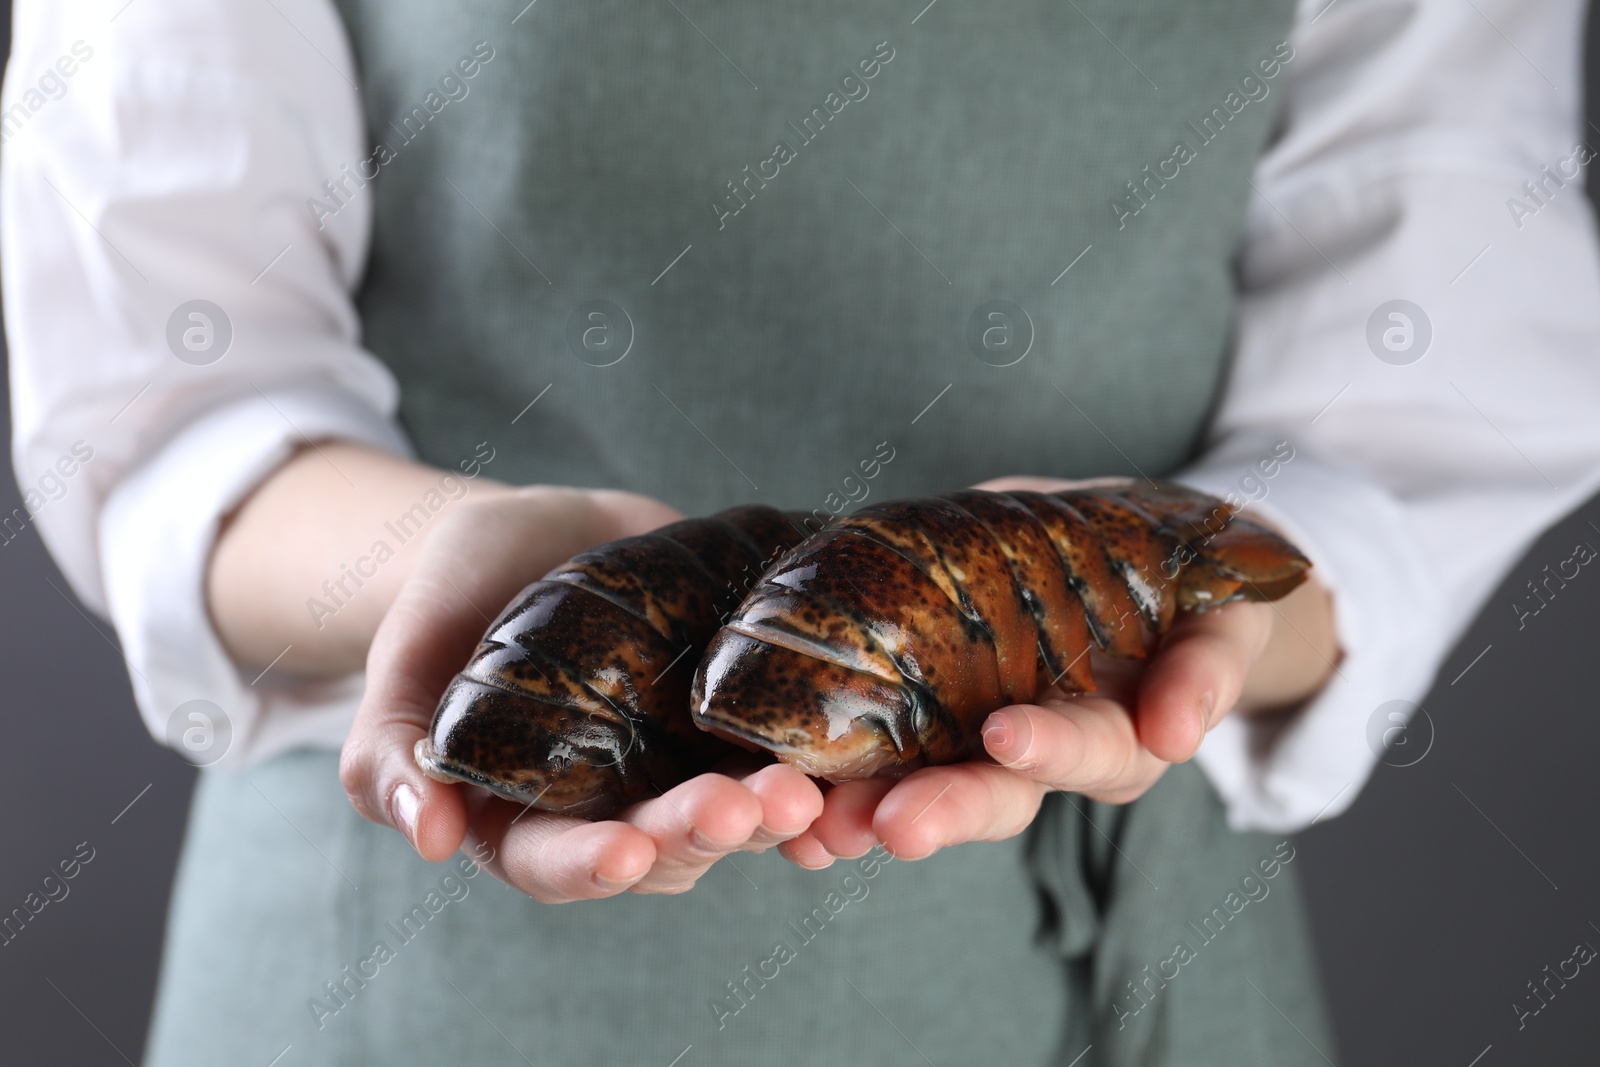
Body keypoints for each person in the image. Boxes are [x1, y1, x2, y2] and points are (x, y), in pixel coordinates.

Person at [7, 0, 1600, 1063]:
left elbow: (1407, 401)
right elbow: (174, 398)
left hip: (1136, 978)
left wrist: (1214, 622)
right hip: (428, 966)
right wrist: (437, 557)